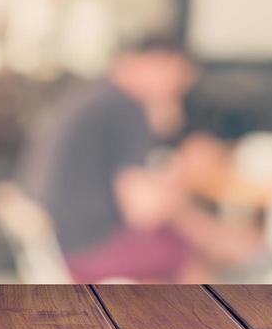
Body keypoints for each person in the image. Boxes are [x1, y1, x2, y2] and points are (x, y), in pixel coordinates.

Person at [17, 33, 257, 281]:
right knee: (187, 253)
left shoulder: (100, 97)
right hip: (84, 248)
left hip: (60, 240)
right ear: (157, 63)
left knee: (184, 238)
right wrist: (187, 174)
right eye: (178, 78)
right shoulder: (124, 106)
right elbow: (143, 212)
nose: (178, 90)